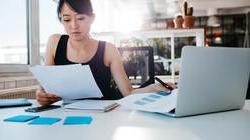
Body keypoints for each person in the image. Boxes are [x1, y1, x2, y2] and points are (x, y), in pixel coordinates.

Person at [36, 0, 176, 106]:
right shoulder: (54, 43)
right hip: (67, 116)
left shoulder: (108, 50)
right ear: (61, 19)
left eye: (81, 18)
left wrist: (154, 88)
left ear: (92, 18)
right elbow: (47, 87)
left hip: (104, 116)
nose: (73, 26)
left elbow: (128, 92)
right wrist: (41, 95)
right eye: (66, 19)